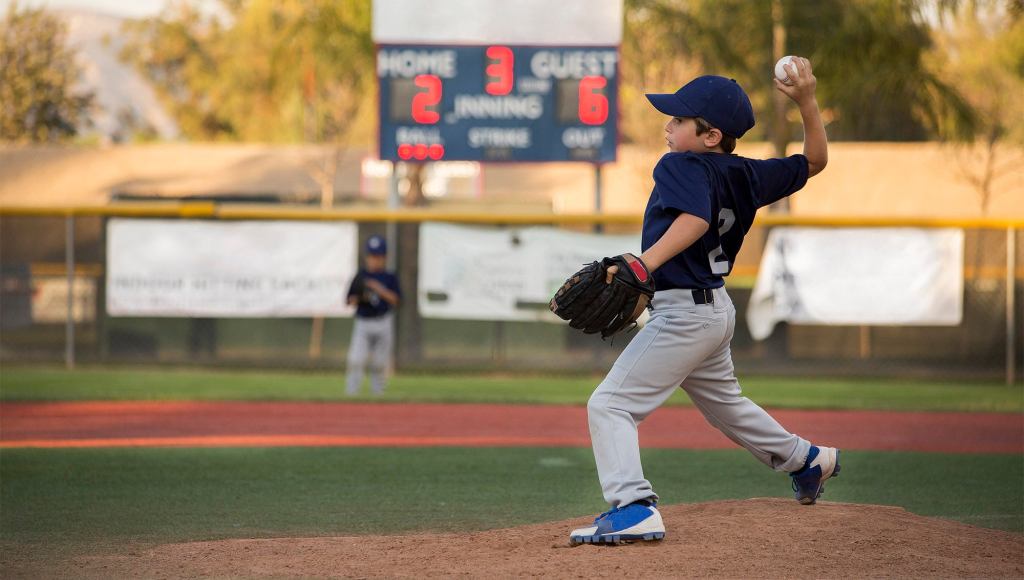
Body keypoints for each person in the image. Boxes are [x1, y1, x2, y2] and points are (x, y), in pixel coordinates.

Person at [569, 58, 835, 545]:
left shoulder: (680, 164)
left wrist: (644, 264)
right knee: (726, 407)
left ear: (710, 135)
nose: (668, 127)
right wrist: (808, 103)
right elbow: (814, 161)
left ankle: (632, 506)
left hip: (685, 314)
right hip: (714, 309)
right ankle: (807, 460)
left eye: (678, 120)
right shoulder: (747, 175)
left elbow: (693, 219)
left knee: (609, 405)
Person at [345, 235, 401, 396]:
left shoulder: (389, 277)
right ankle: (351, 394)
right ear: (366, 256)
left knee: (379, 363)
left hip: (383, 321)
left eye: (378, 256)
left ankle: (378, 396)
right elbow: (349, 300)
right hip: (363, 322)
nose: (374, 260)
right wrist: (359, 297)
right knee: (356, 360)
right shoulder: (360, 276)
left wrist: (378, 288)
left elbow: (396, 300)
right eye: (371, 256)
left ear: (384, 257)